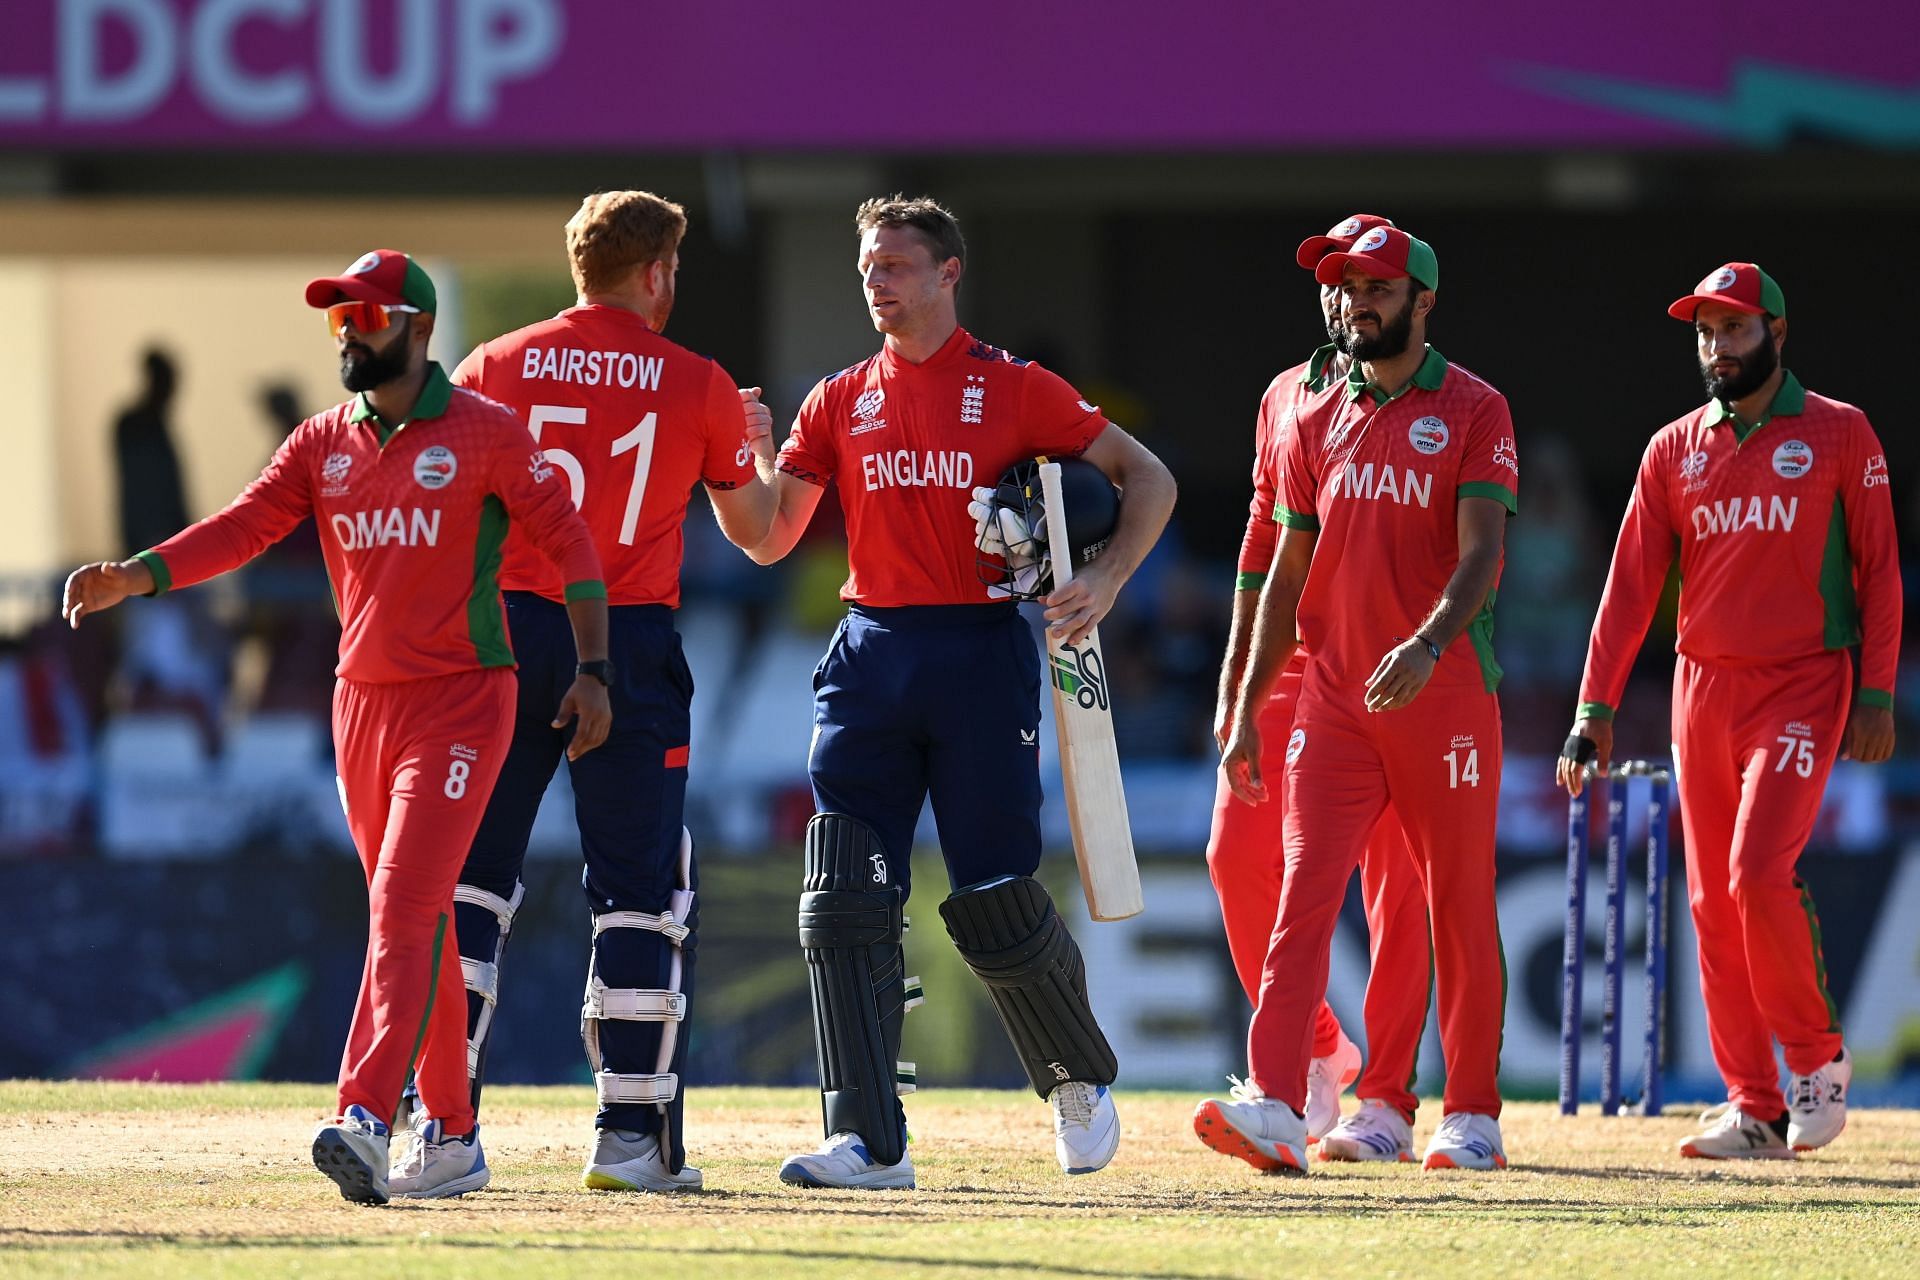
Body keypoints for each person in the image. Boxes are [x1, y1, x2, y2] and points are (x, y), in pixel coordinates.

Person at [61, 250, 612, 1206]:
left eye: (366, 316)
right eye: (338, 320)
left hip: (463, 700)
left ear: (418, 329)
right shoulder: (322, 443)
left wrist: (598, 668)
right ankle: (452, 1135)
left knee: (402, 904)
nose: (349, 333)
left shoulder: (485, 433)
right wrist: (135, 572)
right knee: (420, 915)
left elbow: (569, 543)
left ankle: (365, 1111)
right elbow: (241, 528)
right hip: (363, 705)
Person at [747, 195, 1176, 1189]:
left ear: (949, 273)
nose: (877, 282)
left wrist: (1104, 578)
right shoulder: (837, 396)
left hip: (979, 650)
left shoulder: (1014, 388)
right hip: (868, 649)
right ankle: (866, 1138)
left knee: (991, 893)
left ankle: (1075, 1079)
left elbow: (1145, 477)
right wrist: (743, 459)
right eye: (866, 268)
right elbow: (769, 536)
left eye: (896, 264)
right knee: (844, 889)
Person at [385, 190, 777, 1198]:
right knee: (639, 890)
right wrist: (760, 443)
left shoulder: (495, 364)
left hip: (505, 632)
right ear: (655, 274)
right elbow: (759, 533)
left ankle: (443, 1130)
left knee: (467, 882)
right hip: (629, 641)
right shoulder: (698, 384)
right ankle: (630, 1137)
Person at [1557, 263, 1898, 1160]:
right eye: (1705, 332)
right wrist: (1594, 709)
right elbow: (1629, 589)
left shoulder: (1839, 433)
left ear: (1776, 335)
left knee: (1755, 871)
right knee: (1710, 900)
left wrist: (1876, 690)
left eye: (1734, 330)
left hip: (1801, 682)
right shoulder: (1673, 449)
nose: (1717, 348)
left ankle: (1817, 1059)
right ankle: (1754, 1105)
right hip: (1701, 688)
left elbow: (1881, 573)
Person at [1208, 226, 1517, 1174]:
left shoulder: (1473, 407)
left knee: (1451, 902)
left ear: (1423, 300)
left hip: (1443, 693)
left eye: (1374, 288)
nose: (1353, 304)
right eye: (1342, 289)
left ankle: (1467, 1111)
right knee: (1301, 894)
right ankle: (1274, 1101)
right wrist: (1250, 701)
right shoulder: (1310, 409)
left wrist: (1429, 644)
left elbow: (1481, 554)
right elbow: (1283, 566)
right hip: (1336, 696)